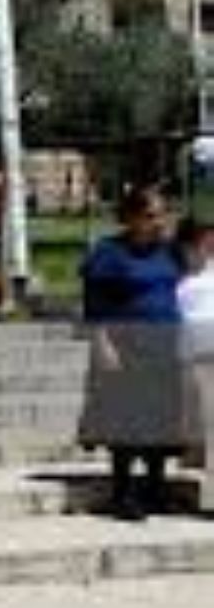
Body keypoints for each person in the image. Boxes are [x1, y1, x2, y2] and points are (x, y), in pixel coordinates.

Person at [78, 185, 185, 521]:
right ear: (132, 218)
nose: (159, 221)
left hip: (165, 346)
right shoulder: (109, 254)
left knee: (161, 419)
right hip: (125, 347)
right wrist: (102, 345)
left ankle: (156, 487)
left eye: (162, 214)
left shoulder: (169, 252)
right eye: (151, 215)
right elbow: (94, 307)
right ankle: (123, 493)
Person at [178, 218, 214, 511]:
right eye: (203, 242)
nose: (209, 247)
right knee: (202, 425)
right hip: (193, 357)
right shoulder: (176, 279)